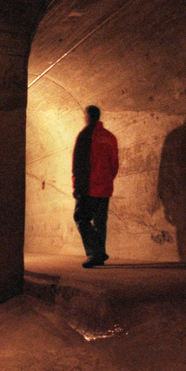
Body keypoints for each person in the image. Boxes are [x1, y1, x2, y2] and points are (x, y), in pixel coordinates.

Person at [72, 105, 119, 268]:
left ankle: (95, 253)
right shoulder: (110, 137)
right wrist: (108, 180)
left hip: (89, 187)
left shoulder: (86, 134)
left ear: (87, 116)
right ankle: (100, 255)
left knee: (81, 218)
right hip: (105, 187)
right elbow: (114, 164)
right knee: (100, 222)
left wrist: (77, 187)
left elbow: (80, 163)